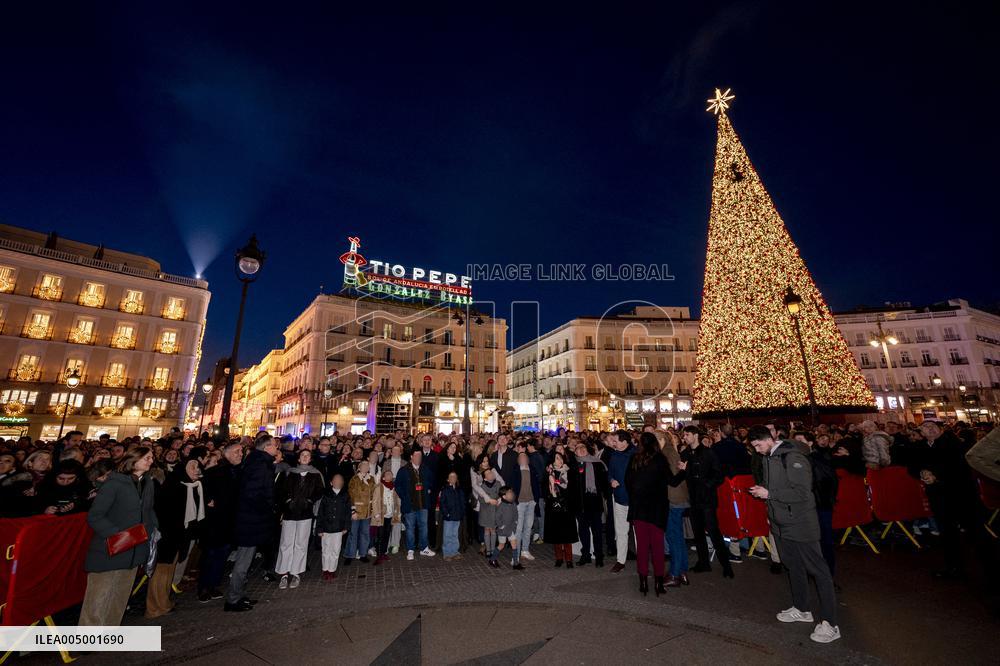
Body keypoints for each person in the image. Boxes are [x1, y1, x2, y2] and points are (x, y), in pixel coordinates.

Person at [748, 426, 841, 644]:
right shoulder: (769, 458)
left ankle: (830, 622)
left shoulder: (792, 457)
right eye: (754, 447)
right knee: (794, 566)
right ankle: (801, 608)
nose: (757, 450)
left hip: (800, 522)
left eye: (758, 445)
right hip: (781, 523)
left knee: (819, 571)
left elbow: (802, 492)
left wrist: (769, 493)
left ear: (769, 439)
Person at [79, 447, 158, 626]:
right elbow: (95, 516)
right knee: (99, 595)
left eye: (152, 457)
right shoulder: (114, 483)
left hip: (135, 546)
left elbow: (148, 510)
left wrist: (152, 528)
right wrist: (117, 535)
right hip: (110, 547)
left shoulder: (147, 483)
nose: (151, 461)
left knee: (120, 595)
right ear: (133, 460)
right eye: (147, 458)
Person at [226, 434, 280, 612]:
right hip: (250, 520)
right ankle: (233, 599)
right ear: (266, 448)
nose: (276, 448)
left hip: (250, 519)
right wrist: (268, 507)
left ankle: (239, 594)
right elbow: (254, 494)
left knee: (245, 560)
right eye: (274, 445)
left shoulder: (256, 462)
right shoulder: (260, 466)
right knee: (243, 562)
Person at [147, 459, 205, 618]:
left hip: (179, 536)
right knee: (161, 572)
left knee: (169, 571)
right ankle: (153, 607)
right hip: (168, 536)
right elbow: (165, 512)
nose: (196, 470)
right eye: (192, 467)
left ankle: (164, 602)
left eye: (197, 467)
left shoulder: (192, 486)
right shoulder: (174, 485)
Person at [679, 426, 733, 579]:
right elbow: (683, 474)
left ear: (695, 435)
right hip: (693, 498)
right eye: (684, 435)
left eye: (687, 434)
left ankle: (726, 565)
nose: (685, 437)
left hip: (707, 499)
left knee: (714, 532)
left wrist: (707, 485)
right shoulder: (686, 453)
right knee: (698, 533)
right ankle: (703, 563)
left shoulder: (708, 453)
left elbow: (719, 475)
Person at [625, 432, 674, 596]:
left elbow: (628, 481)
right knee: (658, 547)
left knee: (643, 547)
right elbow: (671, 480)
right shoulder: (660, 460)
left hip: (639, 508)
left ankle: (643, 581)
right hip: (657, 508)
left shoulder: (635, 459)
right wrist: (684, 471)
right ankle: (659, 583)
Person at [198, 441, 242, 602]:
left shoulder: (237, 471)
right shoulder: (215, 472)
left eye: (241, 452)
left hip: (229, 520)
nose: (240, 454)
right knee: (210, 554)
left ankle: (213, 585)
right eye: (237, 452)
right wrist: (209, 500)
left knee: (222, 555)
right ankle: (203, 587)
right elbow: (204, 491)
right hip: (214, 521)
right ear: (227, 454)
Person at [275, 449, 324, 588]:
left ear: (310, 459)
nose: (304, 457)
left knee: (301, 543)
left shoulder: (315, 474)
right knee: (286, 542)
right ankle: (284, 572)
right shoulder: (290, 472)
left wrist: (309, 500)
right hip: (290, 512)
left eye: (307, 455)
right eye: (302, 455)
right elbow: (282, 490)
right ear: (298, 458)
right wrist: (288, 501)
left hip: (305, 512)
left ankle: (296, 572)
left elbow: (319, 491)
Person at [657, 430, 690, 587]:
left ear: (662, 439)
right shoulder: (670, 451)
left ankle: (675, 573)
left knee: (673, 536)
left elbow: (672, 479)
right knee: (677, 536)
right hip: (677, 498)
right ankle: (682, 570)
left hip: (672, 499)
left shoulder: (667, 453)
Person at [570, 441, 609, 567]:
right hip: (580, 506)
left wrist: (607, 496)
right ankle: (585, 555)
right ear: (574, 452)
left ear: (587, 450)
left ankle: (599, 556)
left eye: (583, 447)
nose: (581, 450)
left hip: (595, 504)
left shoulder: (597, 464)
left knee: (597, 532)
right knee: (583, 532)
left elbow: (604, 484)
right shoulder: (572, 466)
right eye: (578, 448)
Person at [395, 450, 435, 560]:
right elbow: (397, 485)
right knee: (410, 528)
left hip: (423, 503)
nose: (419, 458)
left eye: (420, 456)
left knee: (424, 527)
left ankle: (424, 548)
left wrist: (429, 489)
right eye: (417, 456)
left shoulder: (425, 469)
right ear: (411, 457)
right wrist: (404, 496)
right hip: (410, 505)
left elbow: (432, 480)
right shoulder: (404, 470)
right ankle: (410, 550)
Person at [605, 430, 635, 573]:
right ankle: (620, 560)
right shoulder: (614, 455)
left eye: (616, 441)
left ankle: (642, 560)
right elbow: (610, 473)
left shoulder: (636, 454)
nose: (613, 443)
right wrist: (611, 480)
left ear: (624, 442)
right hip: (619, 499)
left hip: (635, 500)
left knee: (637, 533)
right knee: (621, 531)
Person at [544, 451, 578, 568]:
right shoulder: (549, 473)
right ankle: (559, 558)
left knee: (567, 533)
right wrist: (551, 482)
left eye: (560, 458)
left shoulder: (569, 471)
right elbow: (545, 489)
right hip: (553, 506)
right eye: (556, 458)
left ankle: (569, 559)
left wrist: (557, 482)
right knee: (556, 533)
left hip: (567, 505)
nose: (559, 460)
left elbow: (572, 488)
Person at [316, 474, 351, 580]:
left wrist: (346, 526)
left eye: (340, 480)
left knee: (335, 550)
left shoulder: (345, 496)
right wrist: (319, 528)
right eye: (335, 480)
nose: (338, 482)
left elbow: (347, 513)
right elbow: (320, 513)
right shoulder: (326, 496)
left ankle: (332, 569)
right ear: (331, 483)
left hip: (338, 528)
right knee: (326, 549)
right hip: (326, 528)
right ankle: (325, 569)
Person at [509, 452, 540, 562]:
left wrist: (535, 500)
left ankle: (525, 550)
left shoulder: (532, 469)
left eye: (524, 457)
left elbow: (537, 484)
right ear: (518, 460)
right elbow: (511, 486)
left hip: (531, 502)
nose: (523, 458)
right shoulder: (515, 470)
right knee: (518, 529)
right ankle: (515, 555)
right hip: (520, 503)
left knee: (528, 528)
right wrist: (515, 501)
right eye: (520, 457)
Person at [345, 459, 376, 565]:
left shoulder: (372, 479)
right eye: (364, 465)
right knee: (353, 533)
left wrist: (373, 509)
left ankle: (363, 554)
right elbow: (350, 496)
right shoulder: (354, 479)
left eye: (368, 466)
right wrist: (353, 510)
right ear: (359, 467)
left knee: (365, 534)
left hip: (367, 512)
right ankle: (350, 555)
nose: (366, 467)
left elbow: (374, 495)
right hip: (356, 511)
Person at [371, 468, 401, 564]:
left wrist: (397, 512)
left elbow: (396, 501)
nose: (390, 476)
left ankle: (383, 553)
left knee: (386, 535)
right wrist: (376, 514)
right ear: (383, 477)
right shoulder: (379, 487)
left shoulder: (393, 488)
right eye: (388, 474)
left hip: (390, 515)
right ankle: (379, 555)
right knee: (380, 535)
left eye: (391, 475)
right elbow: (375, 501)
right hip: (381, 515)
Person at [478, 467, 502, 566]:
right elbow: (481, 499)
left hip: (495, 511)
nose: (491, 474)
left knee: (493, 530)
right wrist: (489, 500)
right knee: (487, 530)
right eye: (488, 474)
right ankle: (488, 550)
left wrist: (499, 500)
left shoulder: (498, 484)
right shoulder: (482, 487)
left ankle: (493, 550)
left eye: (491, 473)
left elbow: (502, 495)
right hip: (485, 511)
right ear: (485, 478)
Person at [440, 471, 466, 560]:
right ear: (448, 479)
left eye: (454, 477)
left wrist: (462, 512)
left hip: (457, 516)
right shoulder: (445, 490)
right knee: (447, 535)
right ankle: (447, 553)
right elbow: (442, 504)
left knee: (455, 534)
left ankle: (454, 552)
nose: (453, 478)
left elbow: (463, 503)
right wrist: (446, 513)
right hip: (448, 517)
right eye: (451, 477)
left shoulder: (459, 490)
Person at [494, 486, 521, 569]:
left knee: (514, 543)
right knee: (501, 545)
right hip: (503, 530)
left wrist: (516, 522)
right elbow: (497, 517)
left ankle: (515, 563)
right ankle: (492, 559)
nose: (511, 494)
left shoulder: (513, 503)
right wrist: (501, 526)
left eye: (511, 492)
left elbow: (516, 513)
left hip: (511, 528)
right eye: (509, 493)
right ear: (504, 496)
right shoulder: (501, 506)